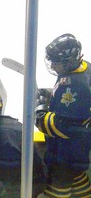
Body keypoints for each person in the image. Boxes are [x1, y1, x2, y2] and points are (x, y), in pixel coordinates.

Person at [35, 33, 91, 197]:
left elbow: (61, 126)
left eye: (55, 62)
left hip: (65, 155)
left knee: (58, 188)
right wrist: (51, 95)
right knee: (77, 177)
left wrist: (39, 113)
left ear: (68, 62)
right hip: (78, 152)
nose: (52, 65)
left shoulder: (74, 84)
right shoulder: (83, 68)